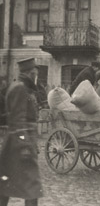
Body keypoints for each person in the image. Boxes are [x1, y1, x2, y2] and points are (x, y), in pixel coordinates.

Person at [0, 58, 43, 206]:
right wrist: (25, 146)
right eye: (34, 73)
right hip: (20, 145)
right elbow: (18, 121)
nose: (35, 76)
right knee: (32, 186)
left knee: (7, 185)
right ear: (29, 73)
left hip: (16, 144)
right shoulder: (20, 88)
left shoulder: (22, 87)